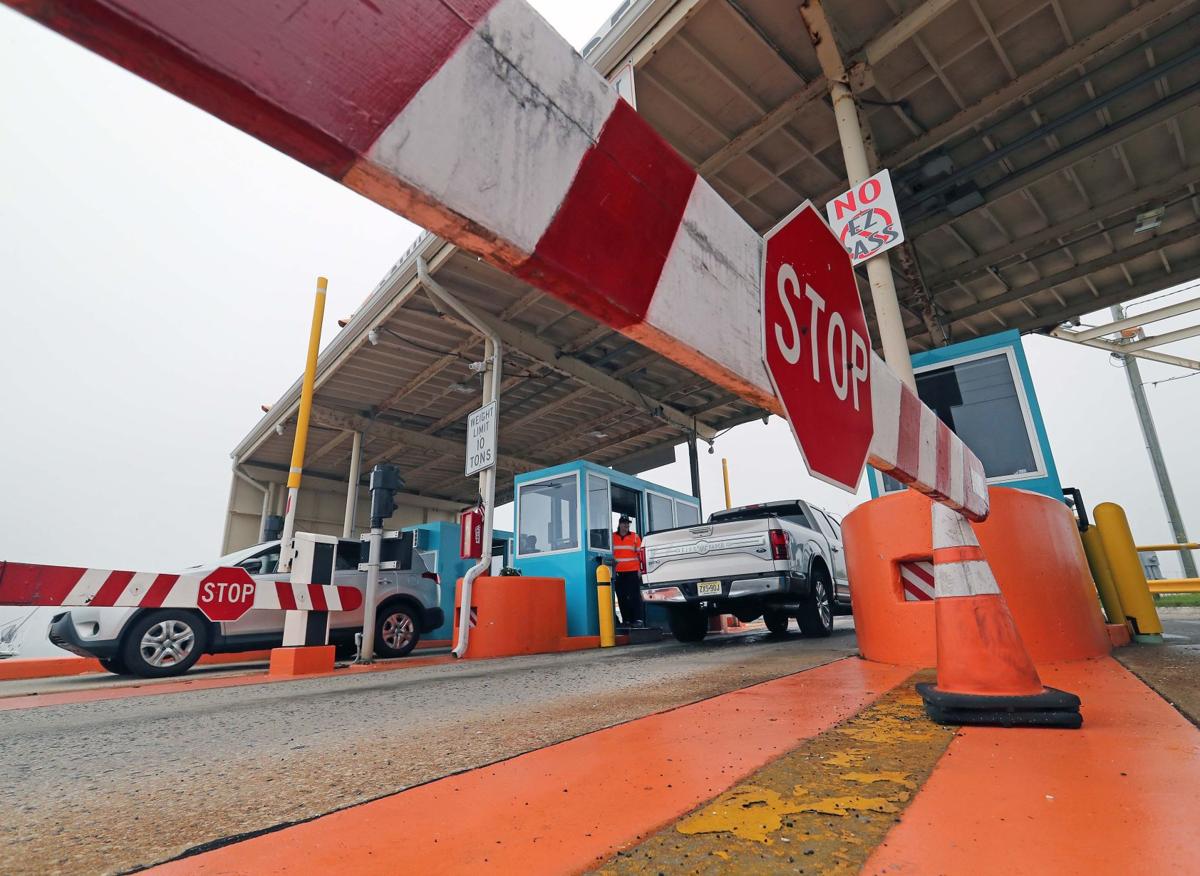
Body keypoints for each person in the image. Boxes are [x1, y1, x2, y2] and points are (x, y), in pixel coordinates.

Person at [611, 515, 645, 627]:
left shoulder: (635, 537)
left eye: (628, 523)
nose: (626, 525)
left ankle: (638, 620)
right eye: (624, 523)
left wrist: (640, 570)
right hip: (618, 572)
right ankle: (626, 620)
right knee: (621, 597)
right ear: (619, 524)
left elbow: (641, 555)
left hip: (632, 571)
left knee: (634, 596)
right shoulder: (612, 537)